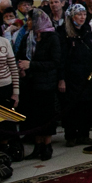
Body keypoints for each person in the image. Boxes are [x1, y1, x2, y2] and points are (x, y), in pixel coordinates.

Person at [18, 10, 61, 160]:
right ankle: (37, 146)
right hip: (30, 83)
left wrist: (31, 65)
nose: (28, 23)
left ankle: (47, 145)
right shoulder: (26, 37)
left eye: (30, 20)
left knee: (46, 116)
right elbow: (21, 56)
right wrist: (22, 68)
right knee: (33, 116)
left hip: (46, 83)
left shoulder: (52, 37)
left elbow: (54, 62)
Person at [57, 4, 92, 146]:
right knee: (71, 107)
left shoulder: (87, 30)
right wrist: (61, 78)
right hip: (71, 77)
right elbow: (61, 58)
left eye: (84, 14)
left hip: (86, 76)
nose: (82, 17)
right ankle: (71, 135)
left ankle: (84, 134)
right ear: (72, 16)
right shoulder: (63, 32)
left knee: (86, 106)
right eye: (79, 14)